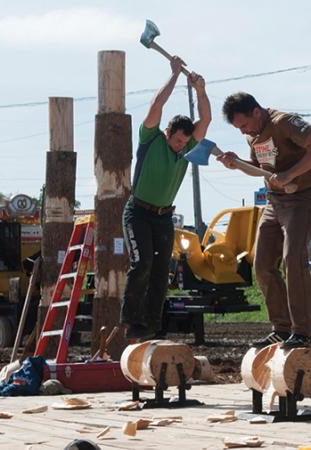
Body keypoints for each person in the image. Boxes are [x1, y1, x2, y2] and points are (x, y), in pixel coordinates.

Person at [217, 92, 311, 349]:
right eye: (238, 128)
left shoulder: (284, 123)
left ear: (256, 112)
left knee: (293, 259)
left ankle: (303, 331)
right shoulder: (252, 135)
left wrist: (290, 174)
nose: (243, 131)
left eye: (244, 125)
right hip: (275, 202)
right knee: (262, 264)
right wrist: (237, 164)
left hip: (302, 198)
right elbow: (260, 168)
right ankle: (281, 328)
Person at [121, 56, 210, 340]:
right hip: (138, 213)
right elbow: (156, 106)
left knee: (162, 270)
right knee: (143, 263)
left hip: (163, 217)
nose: (181, 146)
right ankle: (131, 319)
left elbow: (206, 119)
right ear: (168, 132)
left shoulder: (187, 149)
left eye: (185, 143)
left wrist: (200, 90)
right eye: (177, 141)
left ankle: (151, 324)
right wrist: (174, 75)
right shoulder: (151, 138)